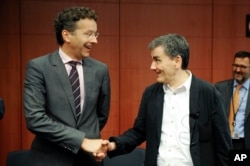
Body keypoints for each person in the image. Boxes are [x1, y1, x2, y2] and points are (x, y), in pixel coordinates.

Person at [105, 34, 232, 166]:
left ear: (177, 61)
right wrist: (114, 145)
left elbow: (223, 144)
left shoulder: (208, 93)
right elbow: (139, 132)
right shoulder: (151, 93)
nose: (152, 66)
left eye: (157, 60)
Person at [23, 6, 110, 166]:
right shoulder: (39, 67)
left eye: (95, 34)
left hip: (89, 161)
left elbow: (100, 116)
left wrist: (90, 142)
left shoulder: (100, 69)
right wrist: (81, 140)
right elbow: (35, 119)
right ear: (67, 35)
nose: (95, 40)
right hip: (49, 160)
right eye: (88, 34)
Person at [215, 51, 250, 150]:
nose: (238, 70)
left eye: (243, 67)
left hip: (244, 143)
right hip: (223, 142)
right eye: (235, 65)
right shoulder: (219, 88)